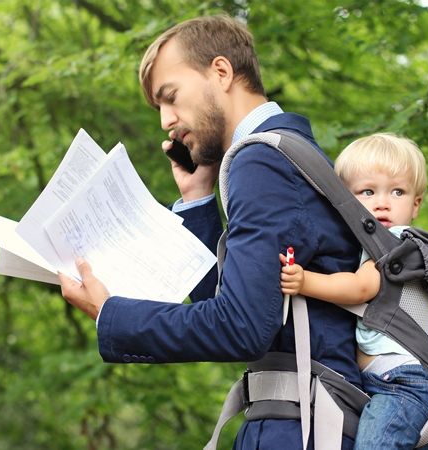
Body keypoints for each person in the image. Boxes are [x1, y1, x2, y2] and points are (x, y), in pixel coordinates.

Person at [59, 15, 362, 449]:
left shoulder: (263, 161)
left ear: (221, 72)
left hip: (304, 429)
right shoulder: (280, 153)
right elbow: (242, 314)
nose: (166, 120)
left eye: (171, 97)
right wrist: (198, 199)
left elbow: (240, 328)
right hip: (299, 423)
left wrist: (113, 313)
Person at [279, 133, 428, 450]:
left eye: (398, 192)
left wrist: (305, 281)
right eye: (367, 192)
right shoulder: (374, 242)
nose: (382, 202)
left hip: (401, 384)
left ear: (415, 204)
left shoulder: (394, 240)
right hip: (384, 382)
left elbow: (362, 287)